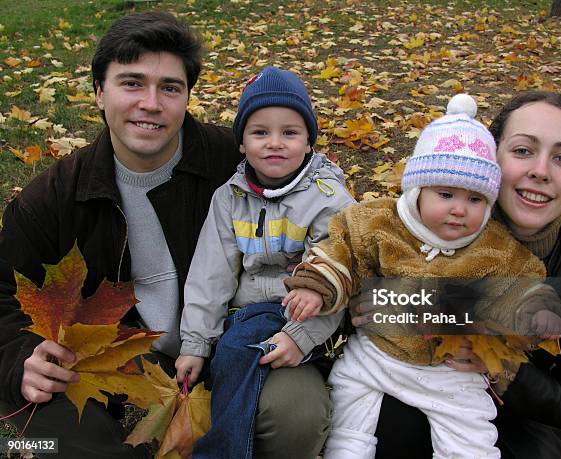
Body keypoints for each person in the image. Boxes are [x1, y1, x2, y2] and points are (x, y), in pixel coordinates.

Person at [0, 13, 332, 459]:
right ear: (100, 92)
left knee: (296, 415)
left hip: (238, 340)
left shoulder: (237, 164)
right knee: (41, 440)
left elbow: (338, 221)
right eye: (131, 83)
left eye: (170, 88)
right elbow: (6, 293)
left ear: (187, 97)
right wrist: (21, 356)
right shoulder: (55, 197)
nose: (151, 103)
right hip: (117, 364)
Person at [284, 94, 561, 458]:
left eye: (476, 200)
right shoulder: (379, 222)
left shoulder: (496, 248)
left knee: (471, 439)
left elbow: (524, 284)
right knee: (349, 426)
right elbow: (340, 251)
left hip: (450, 372)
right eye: (446, 194)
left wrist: (538, 311)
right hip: (376, 356)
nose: (458, 210)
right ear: (418, 189)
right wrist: (318, 287)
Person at [364, 91, 561, 458]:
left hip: (525, 416)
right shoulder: (433, 219)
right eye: (523, 150)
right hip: (422, 377)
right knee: (391, 425)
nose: (540, 171)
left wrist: (499, 363)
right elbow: (369, 295)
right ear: (490, 156)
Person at [174, 66, 355, 459]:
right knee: (233, 348)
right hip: (247, 313)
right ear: (241, 143)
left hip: (306, 315)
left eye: (290, 132)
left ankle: (222, 452)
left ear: (309, 141)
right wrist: (195, 343)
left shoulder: (330, 200)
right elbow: (212, 274)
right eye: (260, 133)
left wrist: (299, 337)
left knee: (240, 349)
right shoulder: (230, 198)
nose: (275, 143)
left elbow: (336, 277)